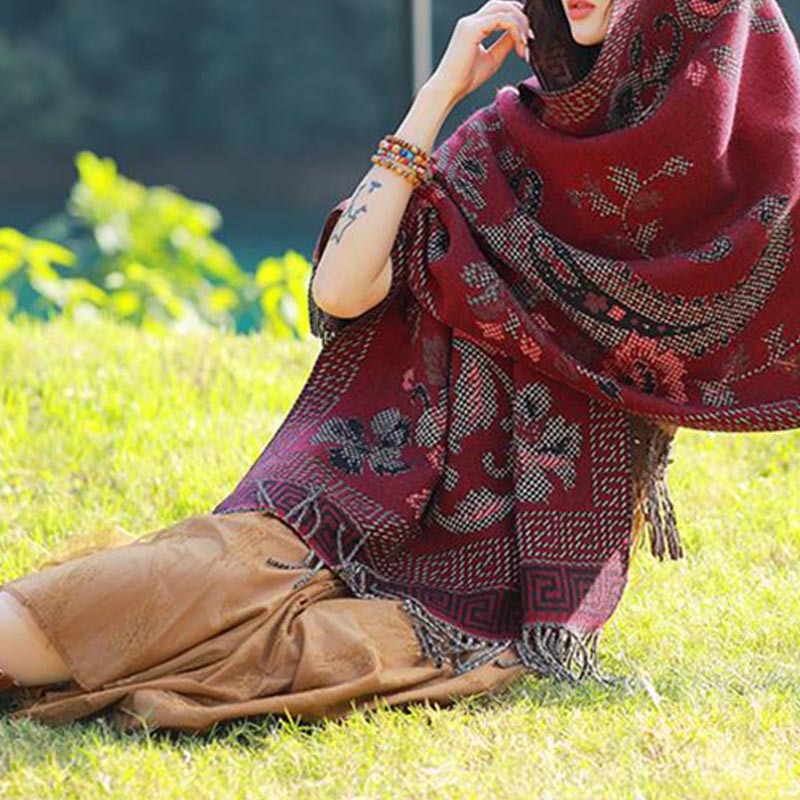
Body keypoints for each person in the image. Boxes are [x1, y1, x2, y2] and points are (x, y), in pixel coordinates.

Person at [2, 0, 798, 734]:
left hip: (479, 607)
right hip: (329, 517)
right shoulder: (498, 143)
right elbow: (341, 291)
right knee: (97, 615)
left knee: (311, 653)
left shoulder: (709, 223)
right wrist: (440, 93)